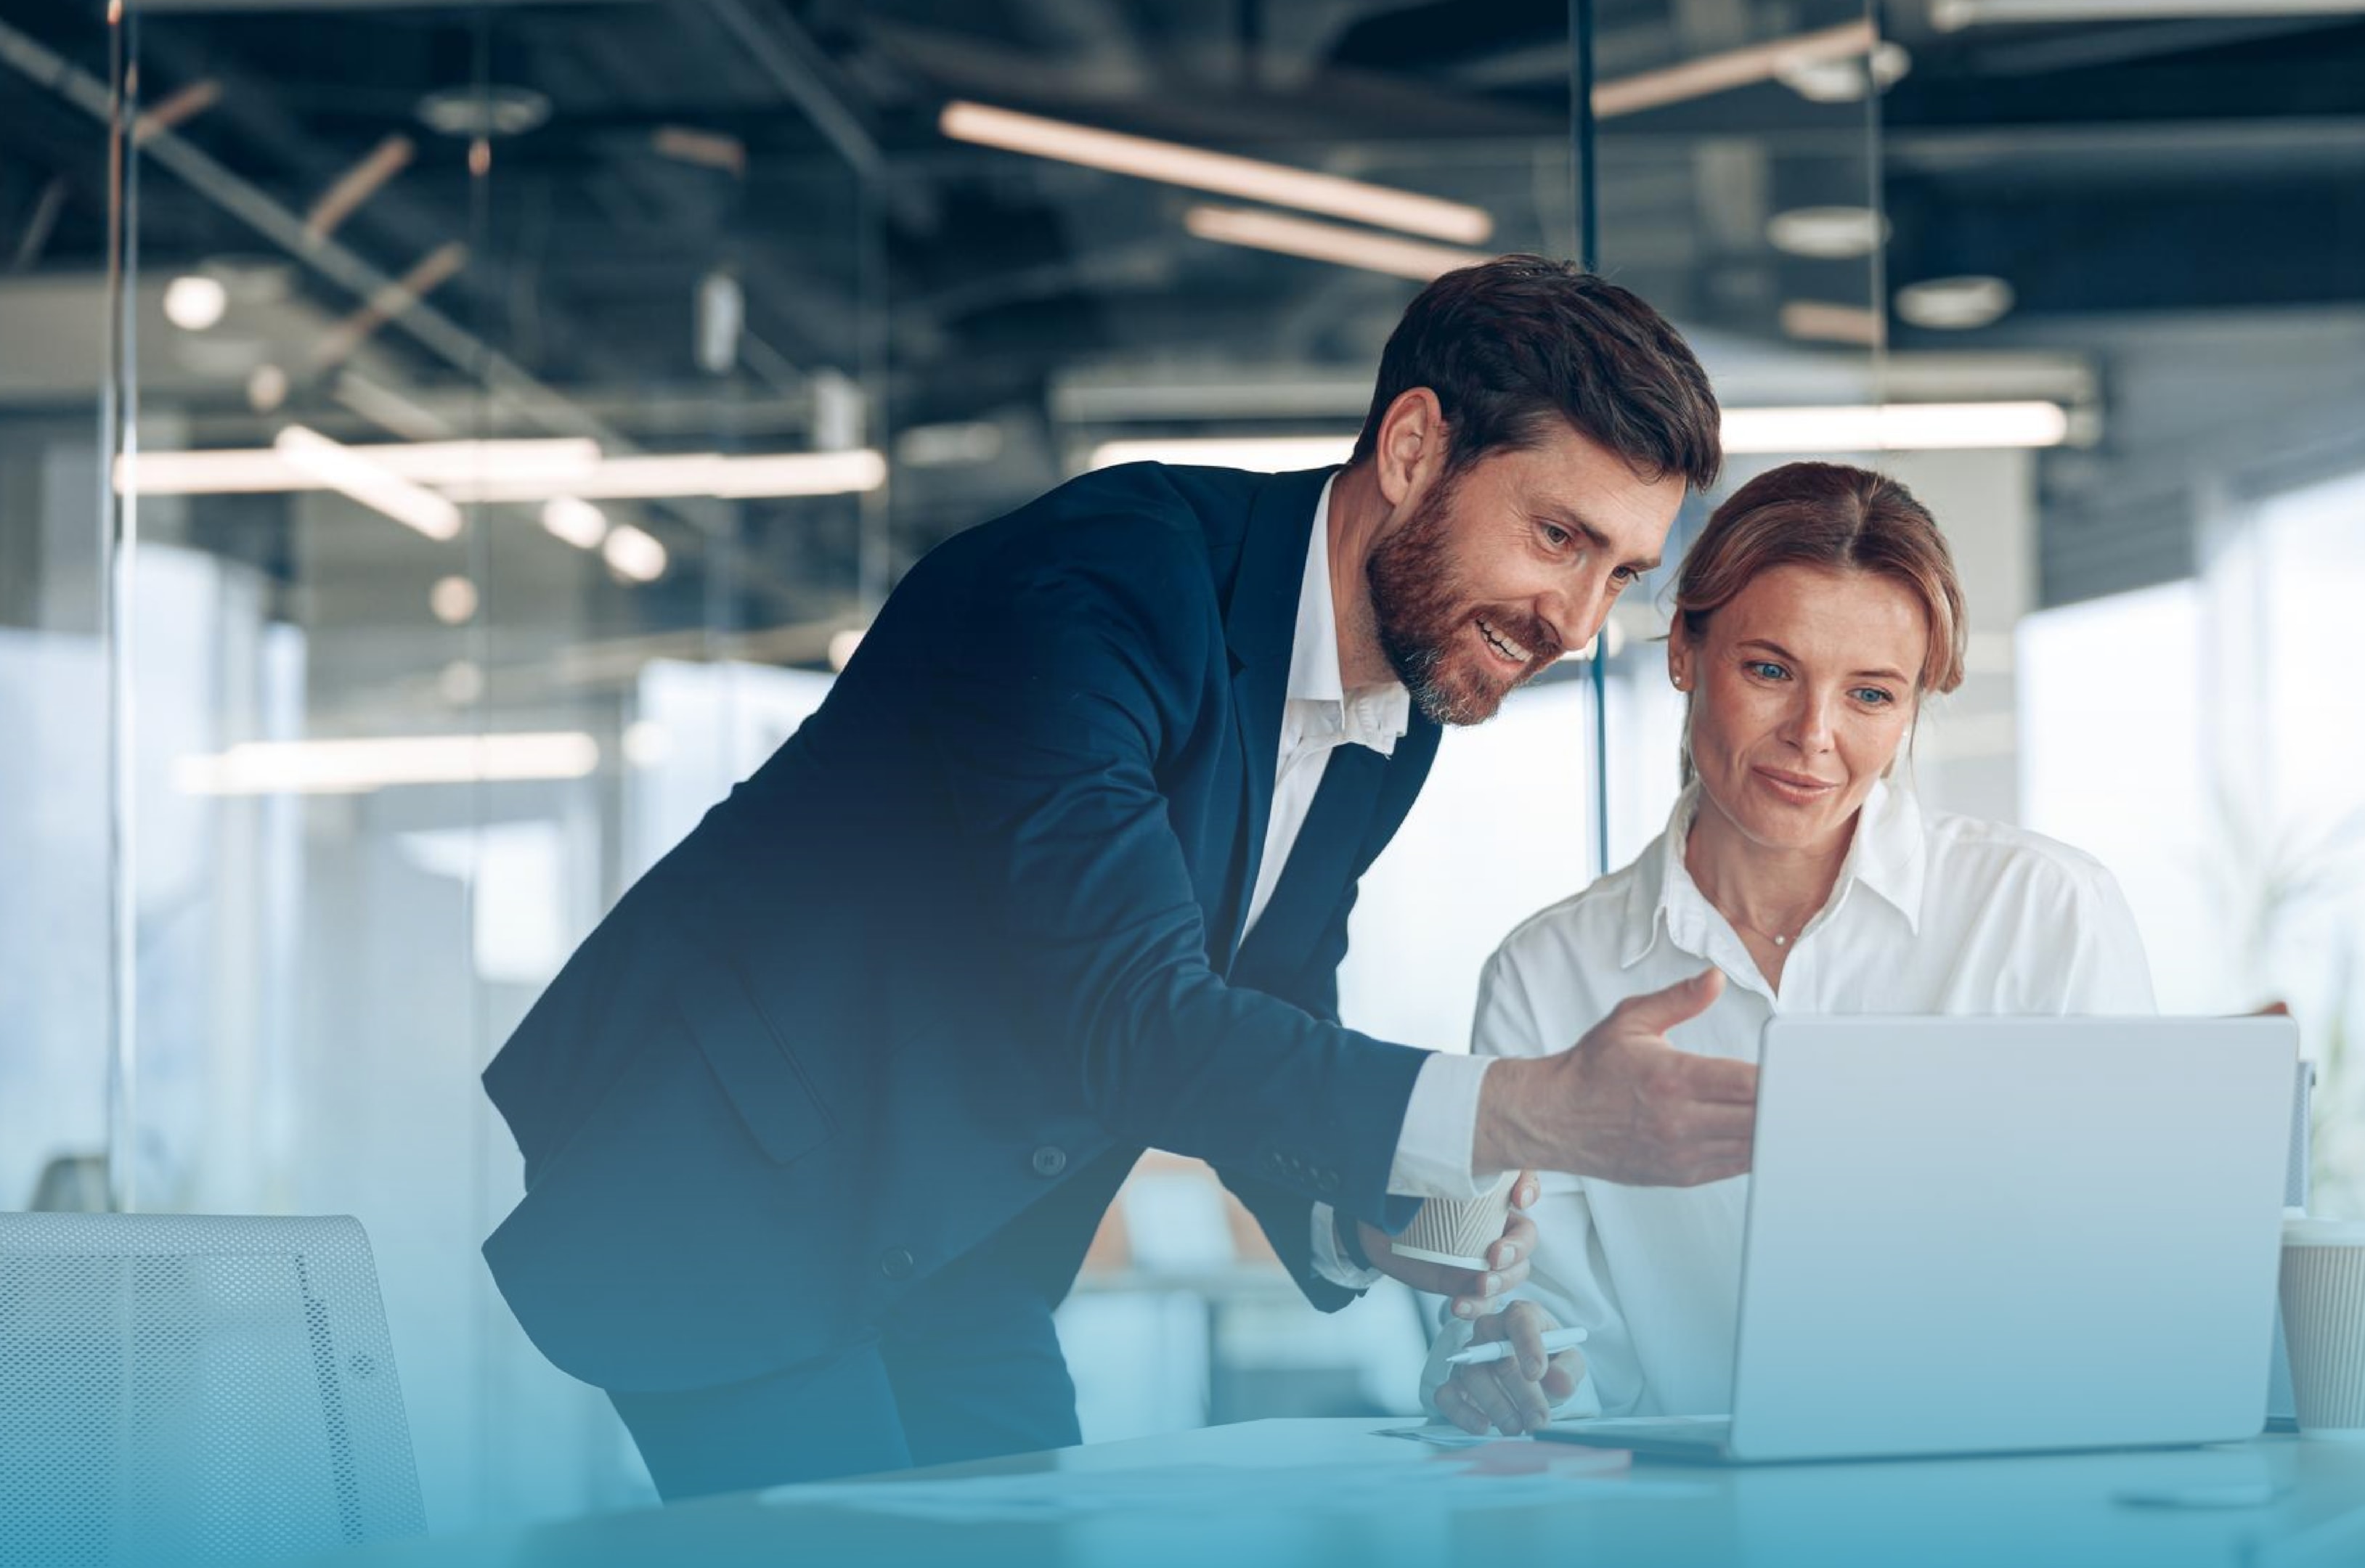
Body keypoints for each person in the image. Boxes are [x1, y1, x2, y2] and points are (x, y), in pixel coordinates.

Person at [479, 256, 1762, 1498]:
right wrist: (1523, 1109)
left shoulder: (1400, 699)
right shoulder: (1105, 583)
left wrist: (1375, 1218)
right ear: (1414, 447)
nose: (1578, 621)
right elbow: (1129, 1011)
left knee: (1038, 1534)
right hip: (724, 1184)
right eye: (1557, 537)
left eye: (1622, 574)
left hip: (953, 1230)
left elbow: (1265, 982)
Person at [1422, 462, 2157, 1435]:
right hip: (1683, 1529)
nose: (1814, 736)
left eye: (1871, 696)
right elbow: (1547, 1322)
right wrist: (1516, 1361)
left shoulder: (2044, 914)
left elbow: (2134, 1271)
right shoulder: (1550, 975)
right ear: (1685, 649)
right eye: (1770, 671)